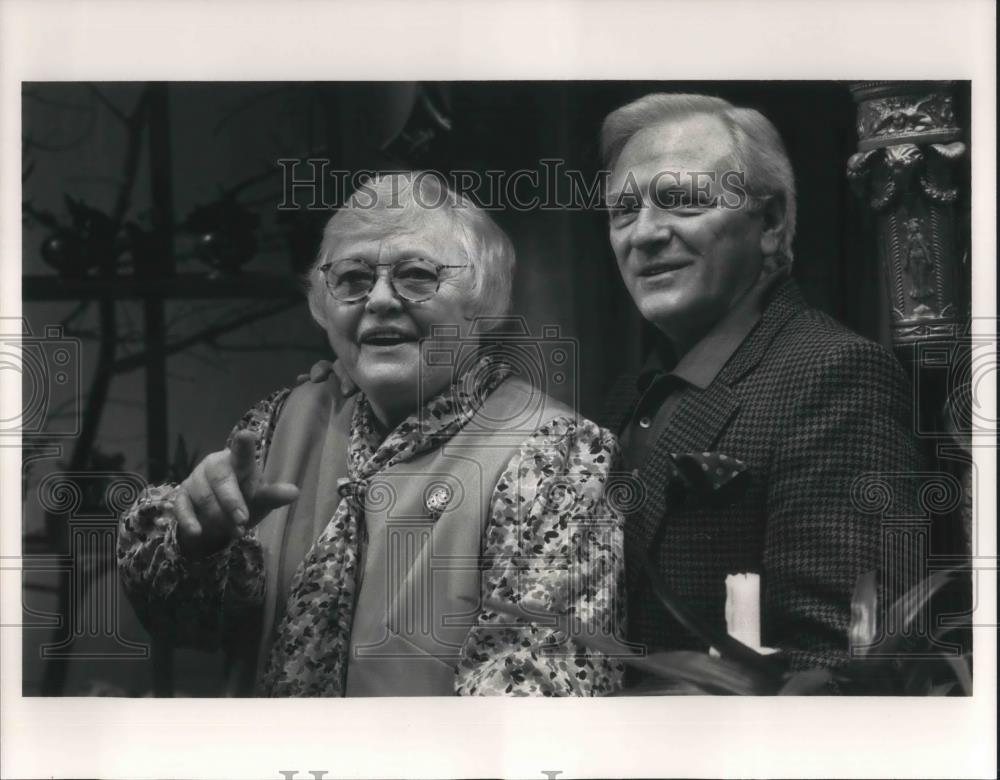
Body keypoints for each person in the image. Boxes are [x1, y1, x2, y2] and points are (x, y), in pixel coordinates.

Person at [118, 172, 625, 697]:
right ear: (322, 305)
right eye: (353, 279)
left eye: (417, 275)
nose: (380, 300)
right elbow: (187, 625)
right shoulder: (275, 427)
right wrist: (199, 543)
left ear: (482, 302)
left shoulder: (558, 454)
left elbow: (540, 692)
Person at [598, 93, 923, 674]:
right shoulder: (626, 395)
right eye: (623, 211)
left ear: (770, 224)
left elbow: (832, 670)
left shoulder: (836, 376)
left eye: (682, 201)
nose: (642, 234)